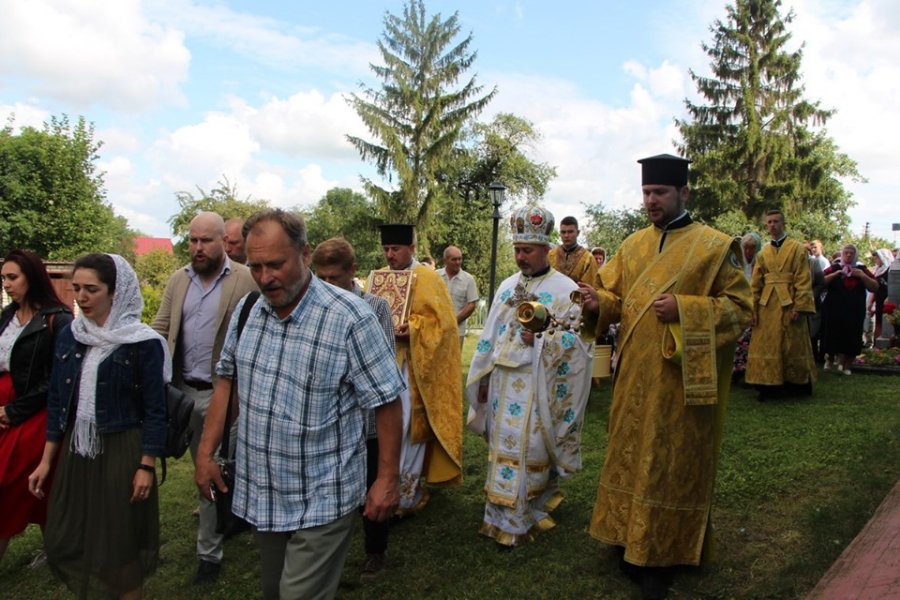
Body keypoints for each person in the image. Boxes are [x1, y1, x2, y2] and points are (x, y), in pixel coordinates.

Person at [193, 210, 405, 600]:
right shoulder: (248, 311)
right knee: (274, 591)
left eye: (276, 264)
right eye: (255, 267)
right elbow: (227, 384)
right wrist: (206, 454)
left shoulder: (351, 318)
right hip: (264, 492)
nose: (265, 278)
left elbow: (387, 399)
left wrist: (387, 479)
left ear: (304, 253)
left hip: (325, 496)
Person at [580, 154, 751, 600]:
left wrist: (686, 309)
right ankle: (625, 536)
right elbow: (616, 297)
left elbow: (740, 308)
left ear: (683, 193)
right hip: (633, 374)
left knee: (665, 463)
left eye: (659, 192)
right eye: (646, 192)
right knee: (629, 453)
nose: (651, 200)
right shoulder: (633, 244)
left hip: (678, 380)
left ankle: (660, 555)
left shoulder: (714, 246)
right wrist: (598, 303)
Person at [28, 253, 170, 600]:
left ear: (115, 292)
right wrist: (46, 460)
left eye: (92, 289)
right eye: (77, 288)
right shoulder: (71, 335)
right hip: (78, 450)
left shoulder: (142, 342)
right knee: (71, 537)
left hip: (122, 449)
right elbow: (58, 401)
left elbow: (156, 410)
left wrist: (146, 465)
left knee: (118, 542)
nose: (81, 297)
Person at [466, 204, 592, 547]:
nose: (520, 257)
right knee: (503, 444)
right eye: (517, 250)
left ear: (545, 249)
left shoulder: (565, 289)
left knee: (530, 447)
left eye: (527, 250)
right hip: (502, 380)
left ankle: (527, 512)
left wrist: (541, 339)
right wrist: (483, 379)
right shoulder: (508, 286)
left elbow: (576, 344)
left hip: (536, 382)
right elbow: (490, 335)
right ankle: (498, 513)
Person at [151, 211, 257, 584]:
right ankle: (232, 517)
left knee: (210, 467)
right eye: (193, 240)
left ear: (223, 241)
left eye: (205, 241)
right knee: (207, 467)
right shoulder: (178, 280)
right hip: (182, 392)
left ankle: (209, 555)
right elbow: (161, 329)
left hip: (224, 393)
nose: (198, 247)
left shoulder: (245, 279)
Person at [310, 237, 397, 580]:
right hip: (329, 417)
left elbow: (385, 363)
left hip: (368, 419)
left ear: (353, 272)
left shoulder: (376, 307)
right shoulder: (314, 307)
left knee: (373, 482)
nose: (328, 284)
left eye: (334, 277)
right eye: (321, 278)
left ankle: (376, 551)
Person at [378, 224, 463, 515]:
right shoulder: (380, 277)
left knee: (407, 426)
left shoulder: (428, 278)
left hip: (413, 369)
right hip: (383, 363)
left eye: (395, 249)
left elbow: (444, 324)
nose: (390, 255)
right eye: (386, 249)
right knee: (382, 426)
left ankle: (405, 495)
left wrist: (412, 329)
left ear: (411, 249)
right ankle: (381, 485)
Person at [0, 250, 73, 562]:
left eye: (12, 277)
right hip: (4, 404)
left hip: (33, 412)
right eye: (3, 278)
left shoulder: (58, 318)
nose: (6, 284)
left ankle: (61, 549)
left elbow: (58, 378)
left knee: (8, 482)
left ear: (31, 277)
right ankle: (58, 550)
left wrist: (14, 410)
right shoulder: (7, 315)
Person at [744, 210, 816, 400]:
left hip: (789, 302)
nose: (772, 225)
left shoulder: (797, 249)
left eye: (776, 221)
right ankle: (767, 386)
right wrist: (753, 309)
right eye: (769, 222)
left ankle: (795, 385)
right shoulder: (763, 253)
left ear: (783, 223)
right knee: (767, 343)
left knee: (791, 343)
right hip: (767, 305)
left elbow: (803, 278)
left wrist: (800, 306)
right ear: (766, 225)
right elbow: (755, 283)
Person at [821, 244, 879, 374]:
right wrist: (835, 275)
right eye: (846, 252)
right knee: (831, 333)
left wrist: (862, 276)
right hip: (834, 308)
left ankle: (847, 365)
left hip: (855, 308)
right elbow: (820, 282)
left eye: (851, 253)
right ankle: (830, 359)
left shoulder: (862, 269)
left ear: (855, 255)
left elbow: (875, 287)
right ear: (842, 254)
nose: (848, 255)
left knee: (852, 334)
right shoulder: (834, 267)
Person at [436, 246, 480, 349]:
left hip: (457, 331)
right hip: (436, 329)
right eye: (454, 259)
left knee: (453, 358)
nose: (458, 262)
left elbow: (472, 304)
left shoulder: (468, 279)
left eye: (460, 259)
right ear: (445, 260)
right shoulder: (435, 275)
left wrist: (454, 321)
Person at [732, 233, 761, 381]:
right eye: (746, 248)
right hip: (740, 304)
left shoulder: (761, 262)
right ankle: (736, 370)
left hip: (756, 306)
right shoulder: (737, 262)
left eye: (752, 248)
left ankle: (750, 370)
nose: (748, 251)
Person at [549, 216, 596, 285]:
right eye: (563, 232)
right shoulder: (551, 254)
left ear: (578, 233)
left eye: (570, 232)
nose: (566, 235)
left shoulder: (588, 258)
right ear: (560, 233)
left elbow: (590, 286)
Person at [868, 249, 893, 340]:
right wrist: (870, 302)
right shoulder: (877, 269)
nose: (875, 259)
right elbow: (875, 288)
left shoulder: (890, 269)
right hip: (879, 299)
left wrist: (889, 297)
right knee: (878, 321)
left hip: (888, 301)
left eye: (877, 257)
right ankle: (877, 343)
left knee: (887, 322)